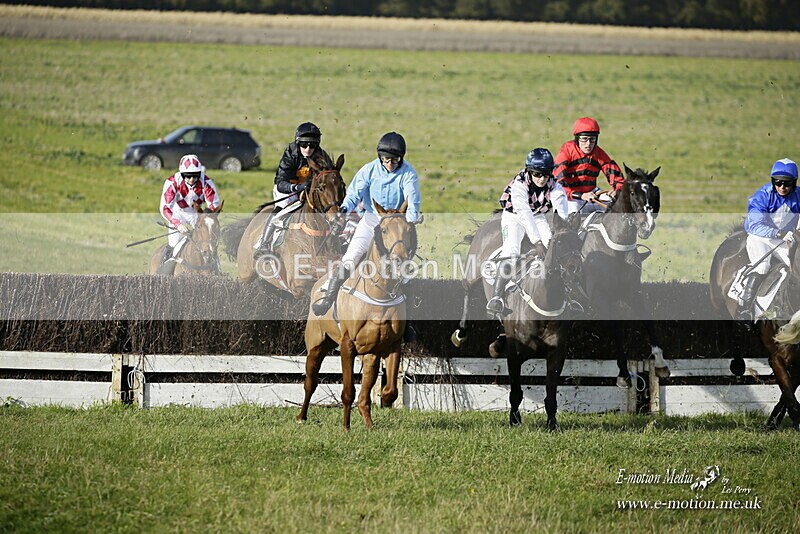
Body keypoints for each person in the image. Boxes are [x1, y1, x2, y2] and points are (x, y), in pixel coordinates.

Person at [311, 132, 421, 340]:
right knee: (351, 257)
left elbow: (412, 197)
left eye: (395, 160)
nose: (390, 164)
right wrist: (345, 208)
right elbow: (354, 193)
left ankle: (409, 323)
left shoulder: (409, 174)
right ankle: (328, 298)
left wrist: (412, 217)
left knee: (405, 272)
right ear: (380, 157)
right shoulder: (369, 170)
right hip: (372, 220)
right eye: (386, 159)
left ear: (401, 158)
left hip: (397, 223)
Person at [486, 148, 568, 317]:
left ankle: (568, 294)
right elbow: (524, 215)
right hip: (514, 217)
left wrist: (563, 228)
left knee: (554, 247)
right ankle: (497, 297)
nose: (542, 179)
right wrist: (536, 242)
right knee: (512, 251)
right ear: (530, 171)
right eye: (537, 174)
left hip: (537, 216)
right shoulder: (519, 185)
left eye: (546, 174)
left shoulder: (555, 185)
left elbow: (561, 210)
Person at [738, 158, 800, 321]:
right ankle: (745, 309)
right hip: (760, 239)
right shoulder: (762, 196)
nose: (782, 187)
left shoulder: (798, 196)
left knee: (796, 270)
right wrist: (779, 234)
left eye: (787, 184)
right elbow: (753, 225)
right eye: (778, 182)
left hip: (785, 241)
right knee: (763, 267)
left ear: (794, 183)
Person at [255, 122, 327, 255]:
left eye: (312, 145)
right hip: (288, 190)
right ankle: (264, 243)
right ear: (298, 143)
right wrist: (297, 188)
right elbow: (281, 183)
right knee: (281, 210)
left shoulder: (322, 156)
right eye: (304, 145)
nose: (308, 149)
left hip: (309, 191)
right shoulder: (290, 154)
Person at [553, 117, 624, 214]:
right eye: (584, 139)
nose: (588, 144)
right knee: (573, 211)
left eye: (592, 139)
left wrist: (618, 190)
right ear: (577, 139)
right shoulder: (567, 150)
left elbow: (616, 176)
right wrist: (580, 195)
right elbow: (557, 182)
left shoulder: (598, 153)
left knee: (615, 207)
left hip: (592, 193)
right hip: (571, 197)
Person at [159, 154, 221, 263]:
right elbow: (165, 208)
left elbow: (213, 206)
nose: (192, 179)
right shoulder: (172, 182)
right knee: (173, 244)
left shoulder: (206, 182)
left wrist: (207, 219)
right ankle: (165, 268)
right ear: (182, 174)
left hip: (196, 214)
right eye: (188, 176)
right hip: (177, 213)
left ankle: (216, 266)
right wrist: (178, 224)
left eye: (195, 175)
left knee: (207, 241)